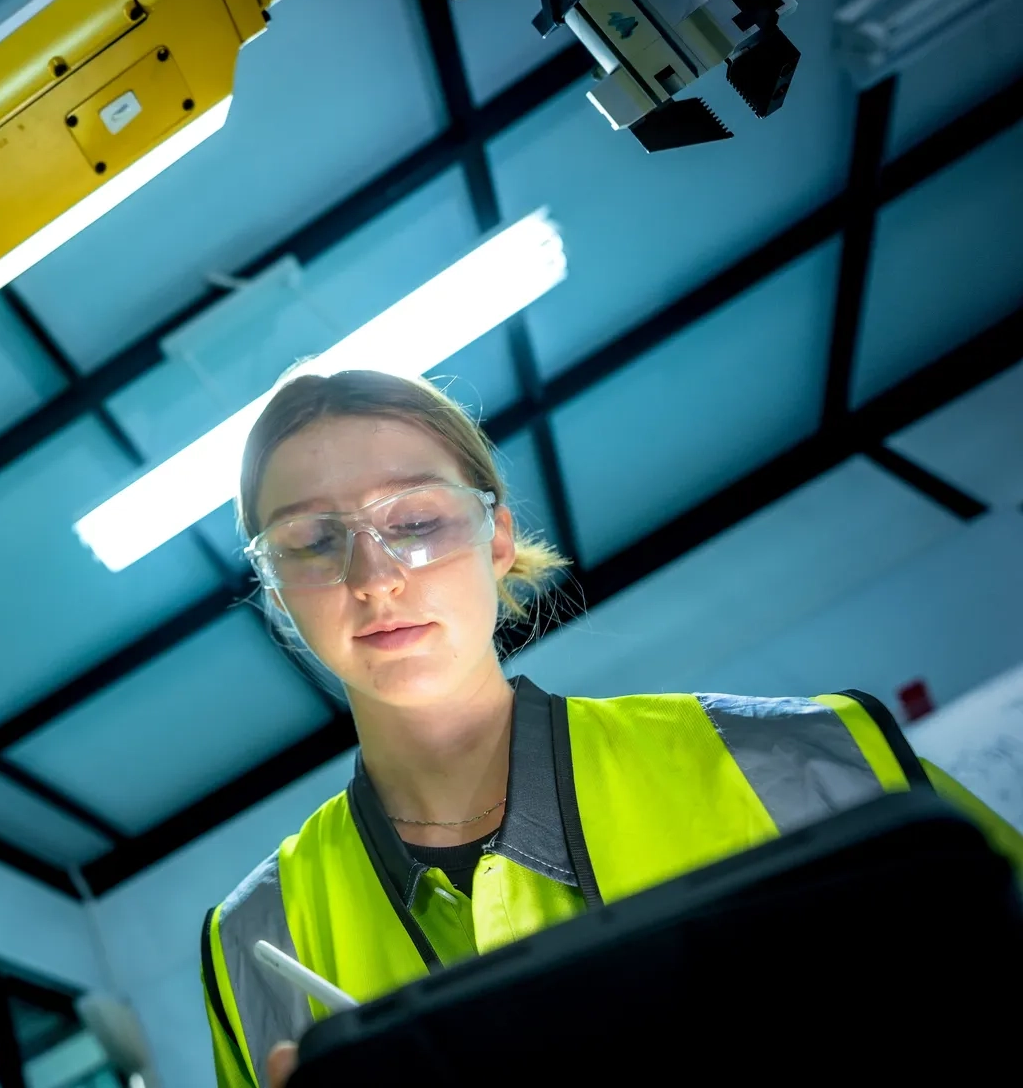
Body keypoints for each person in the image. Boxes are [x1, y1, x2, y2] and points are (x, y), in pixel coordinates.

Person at [200, 369, 1023, 1088]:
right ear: (274, 587)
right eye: (312, 541)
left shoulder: (810, 760)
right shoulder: (252, 943)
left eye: (415, 521)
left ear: (498, 536)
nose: (373, 577)